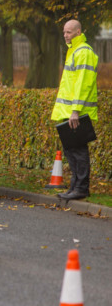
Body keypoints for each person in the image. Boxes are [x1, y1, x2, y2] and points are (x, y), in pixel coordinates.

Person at [52, 19, 98, 201]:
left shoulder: (83, 52)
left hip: (75, 113)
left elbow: (82, 84)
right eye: (64, 32)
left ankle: (81, 188)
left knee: (78, 151)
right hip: (69, 112)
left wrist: (75, 111)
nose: (65, 35)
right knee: (72, 151)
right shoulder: (74, 51)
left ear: (78, 32)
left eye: (69, 32)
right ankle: (74, 187)